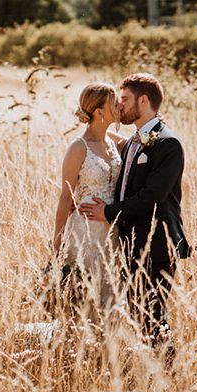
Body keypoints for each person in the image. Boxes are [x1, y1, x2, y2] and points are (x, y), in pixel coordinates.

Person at [78, 73, 191, 355]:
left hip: (157, 244)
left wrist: (108, 212)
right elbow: (100, 141)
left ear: (144, 100)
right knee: (139, 315)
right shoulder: (132, 143)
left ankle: (168, 375)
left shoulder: (168, 144)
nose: (120, 107)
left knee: (152, 317)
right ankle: (151, 373)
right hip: (130, 243)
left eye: (125, 100)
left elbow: (151, 197)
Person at [53, 82, 127, 310]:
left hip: (112, 230)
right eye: (114, 102)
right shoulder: (78, 147)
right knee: (85, 299)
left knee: (112, 298)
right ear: (99, 112)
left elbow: (135, 144)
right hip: (85, 232)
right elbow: (66, 197)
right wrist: (57, 246)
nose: (120, 105)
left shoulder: (113, 142)